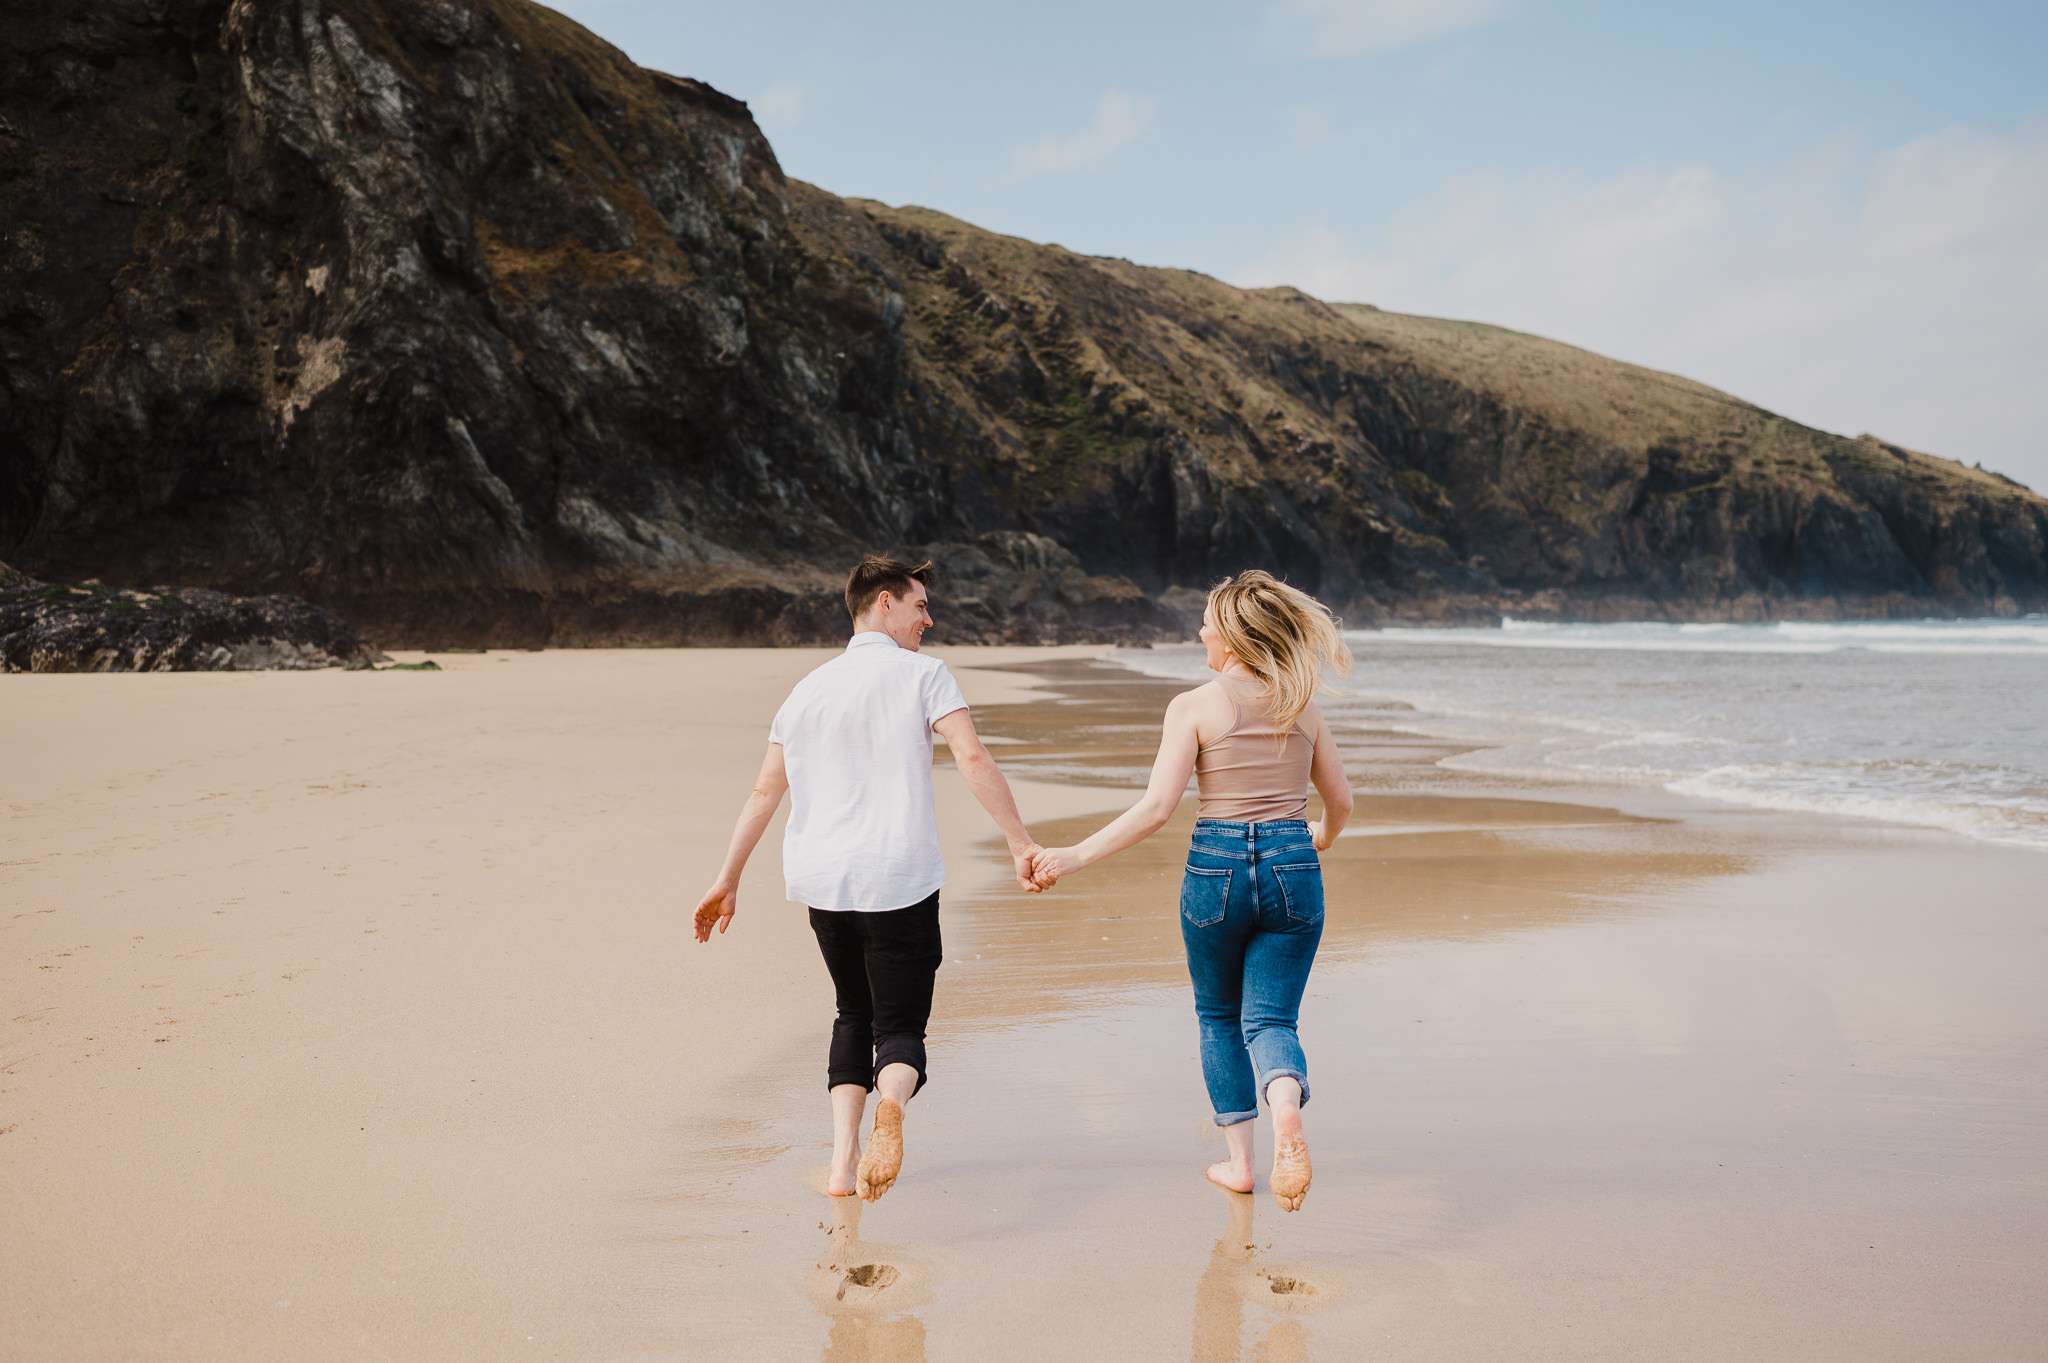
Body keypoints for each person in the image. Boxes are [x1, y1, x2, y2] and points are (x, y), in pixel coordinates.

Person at [692, 555, 1046, 1201]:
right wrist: (1020, 841)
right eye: (919, 605)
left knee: (851, 1010)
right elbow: (970, 754)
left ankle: (840, 1164)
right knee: (901, 1025)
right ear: (884, 602)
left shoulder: (807, 689)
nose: (928, 619)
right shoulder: (924, 675)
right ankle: (893, 1105)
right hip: (898, 875)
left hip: (822, 878)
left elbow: (765, 789)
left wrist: (728, 877)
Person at [1031, 570, 1352, 1211]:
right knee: (1271, 1020)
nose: (1200, 630)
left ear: (1231, 635)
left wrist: (1071, 855)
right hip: (1293, 862)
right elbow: (1341, 800)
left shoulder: (1194, 706)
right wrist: (1321, 835)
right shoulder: (1303, 706)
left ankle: (1240, 1165)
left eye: (1206, 621)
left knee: (1217, 1015)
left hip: (1217, 868)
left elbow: (1156, 809)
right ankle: (1286, 1106)